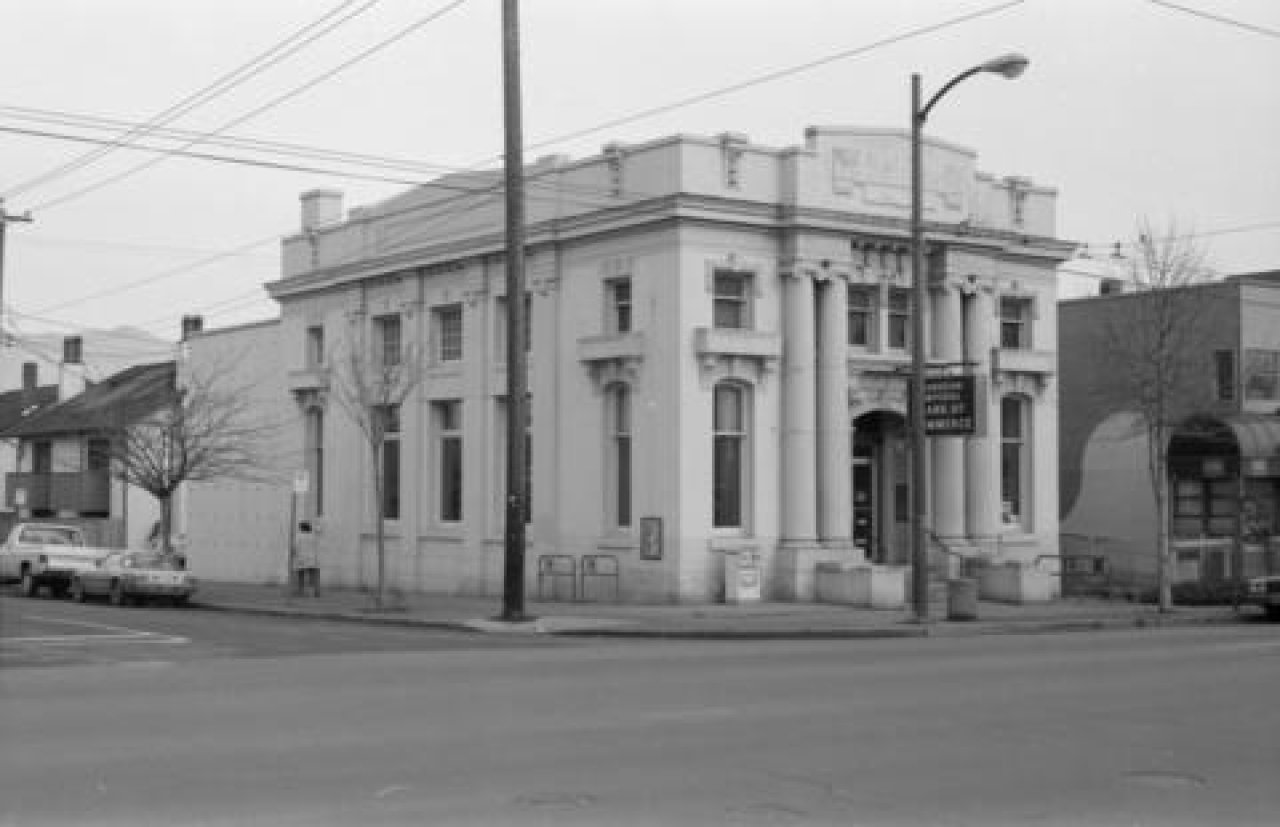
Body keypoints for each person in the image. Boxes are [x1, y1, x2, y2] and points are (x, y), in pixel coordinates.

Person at [293, 520, 321, 597]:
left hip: (302, 558)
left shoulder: (299, 536)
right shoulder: (313, 536)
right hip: (312, 558)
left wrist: (294, 555)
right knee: (312, 576)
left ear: (302, 528)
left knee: (301, 575)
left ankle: (301, 591)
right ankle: (313, 592)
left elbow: (295, 547)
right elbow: (316, 547)